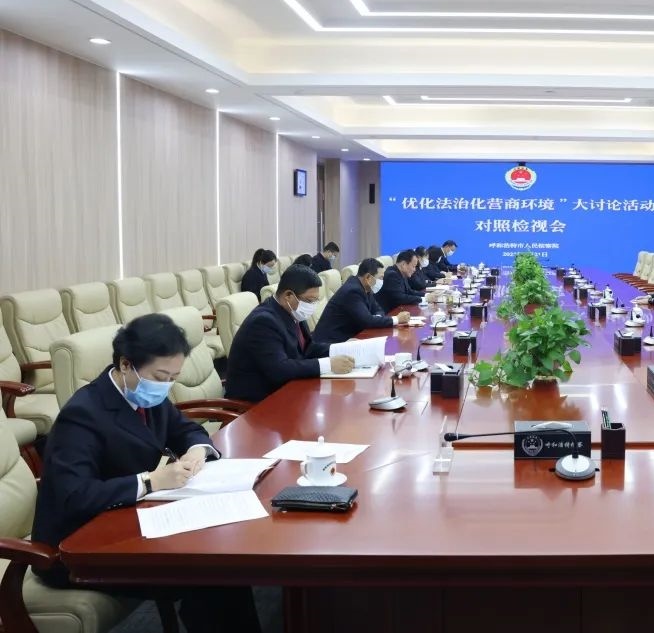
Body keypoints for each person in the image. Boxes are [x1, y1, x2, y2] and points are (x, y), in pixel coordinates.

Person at [31, 314, 263, 632]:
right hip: (77, 546)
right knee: (207, 573)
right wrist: (149, 481)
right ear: (126, 365)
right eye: (161, 376)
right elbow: (75, 496)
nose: (166, 385)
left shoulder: (144, 393)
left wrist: (197, 450)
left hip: (126, 521)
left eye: (173, 377)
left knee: (223, 561)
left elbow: (185, 430)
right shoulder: (83, 415)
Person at [226, 265, 354, 403]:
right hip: (256, 403)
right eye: (309, 301)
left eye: (315, 301)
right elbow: (280, 370)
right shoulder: (263, 322)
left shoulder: (292, 312)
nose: (312, 306)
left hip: (284, 390)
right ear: (288, 295)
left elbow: (308, 348)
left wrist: (342, 348)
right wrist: (328, 364)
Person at [313, 258, 412, 342]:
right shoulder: (352, 291)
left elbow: (378, 309)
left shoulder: (364, 288)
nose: (382, 281)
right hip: (332, 342)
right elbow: (367, 321)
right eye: (380, 278)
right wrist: (396, 319)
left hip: (351, 336)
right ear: (368, 277)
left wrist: (375, 318)